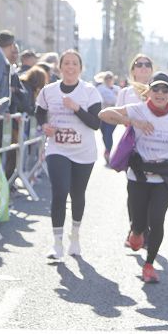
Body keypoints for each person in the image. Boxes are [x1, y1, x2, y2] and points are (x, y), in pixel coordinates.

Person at [100, 72, 168, 282]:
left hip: (163, 177)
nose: (160, 94)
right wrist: (131, 121)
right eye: (156, 89)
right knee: (139, 224)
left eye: (165, 90)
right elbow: (104, 114)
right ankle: (135, 233)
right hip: (139, 177)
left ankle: (149, 265)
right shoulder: (139, 110)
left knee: (157, 222)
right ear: (148, 92)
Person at [36, 50, 102, 261]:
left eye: (74, 63)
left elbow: (95, 123)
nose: (70, 67)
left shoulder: (89, 91)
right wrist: (44, 125)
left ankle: (75, 236)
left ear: (80, 68)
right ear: (60, 67)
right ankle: (57, 243)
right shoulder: (49, 90)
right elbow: (39, 111)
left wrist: (76, 108)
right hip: (58, 148)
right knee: (59, 191)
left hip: (84, 152)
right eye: (66, 63)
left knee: (77, 194)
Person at [95, 71, 118, 164]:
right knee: (104, 134)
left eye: (110, 78)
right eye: (107, 79)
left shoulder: (117, 89)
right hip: (102, 115)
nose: (109, 80)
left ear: (113, 80)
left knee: (108, 133)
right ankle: (107, 149)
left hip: (114, 116)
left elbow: (118, 101)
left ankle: (108, 151)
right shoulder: (100, 89)